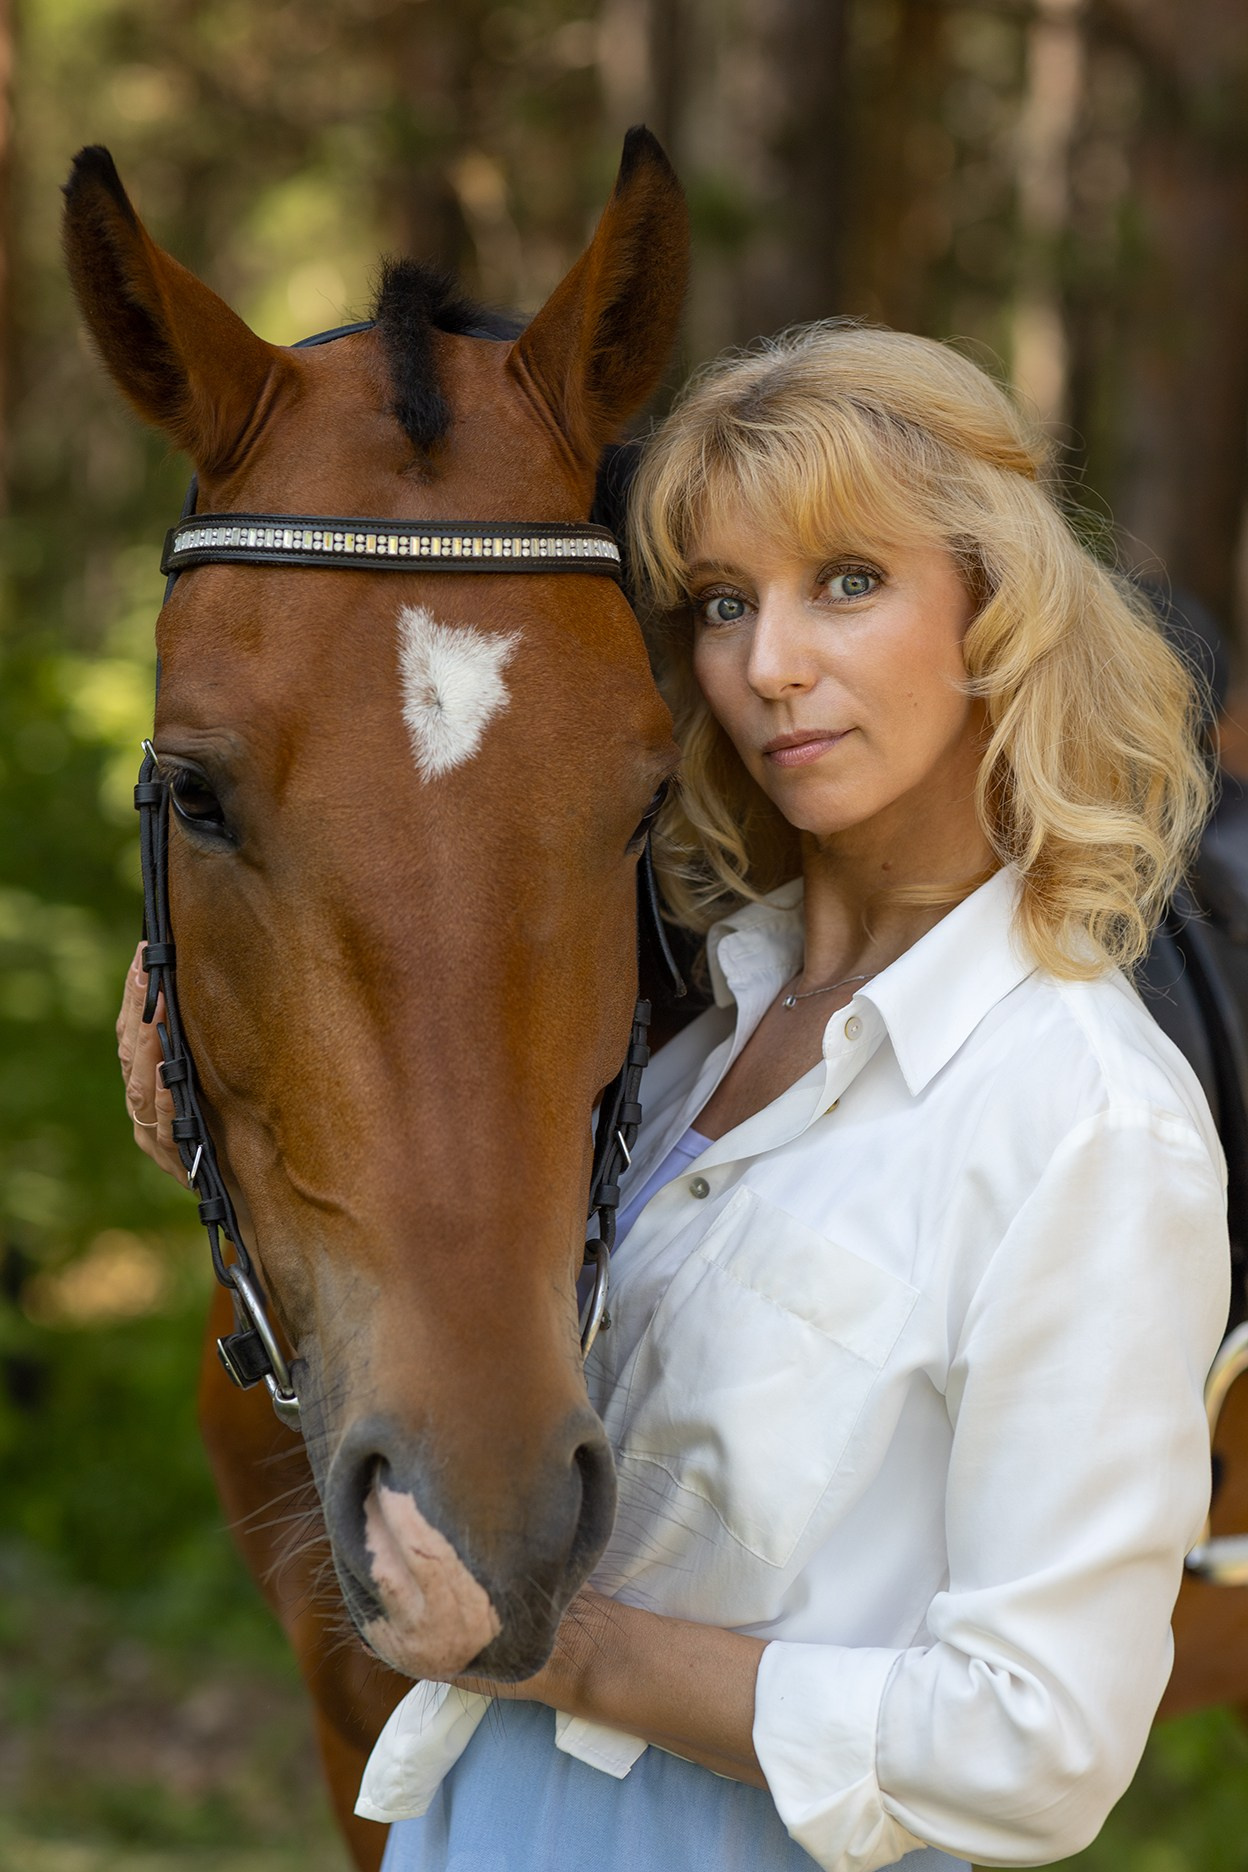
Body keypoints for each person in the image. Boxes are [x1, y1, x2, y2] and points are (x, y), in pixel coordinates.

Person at [122, 322, 1229, 1872]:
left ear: (995, 605)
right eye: (723, 602)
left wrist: (563, 1656)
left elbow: (1036, 1749)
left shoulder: (1085, 1117)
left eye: (848, 582)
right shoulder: (695, 1044)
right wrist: (210, 1072)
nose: (770, 664)